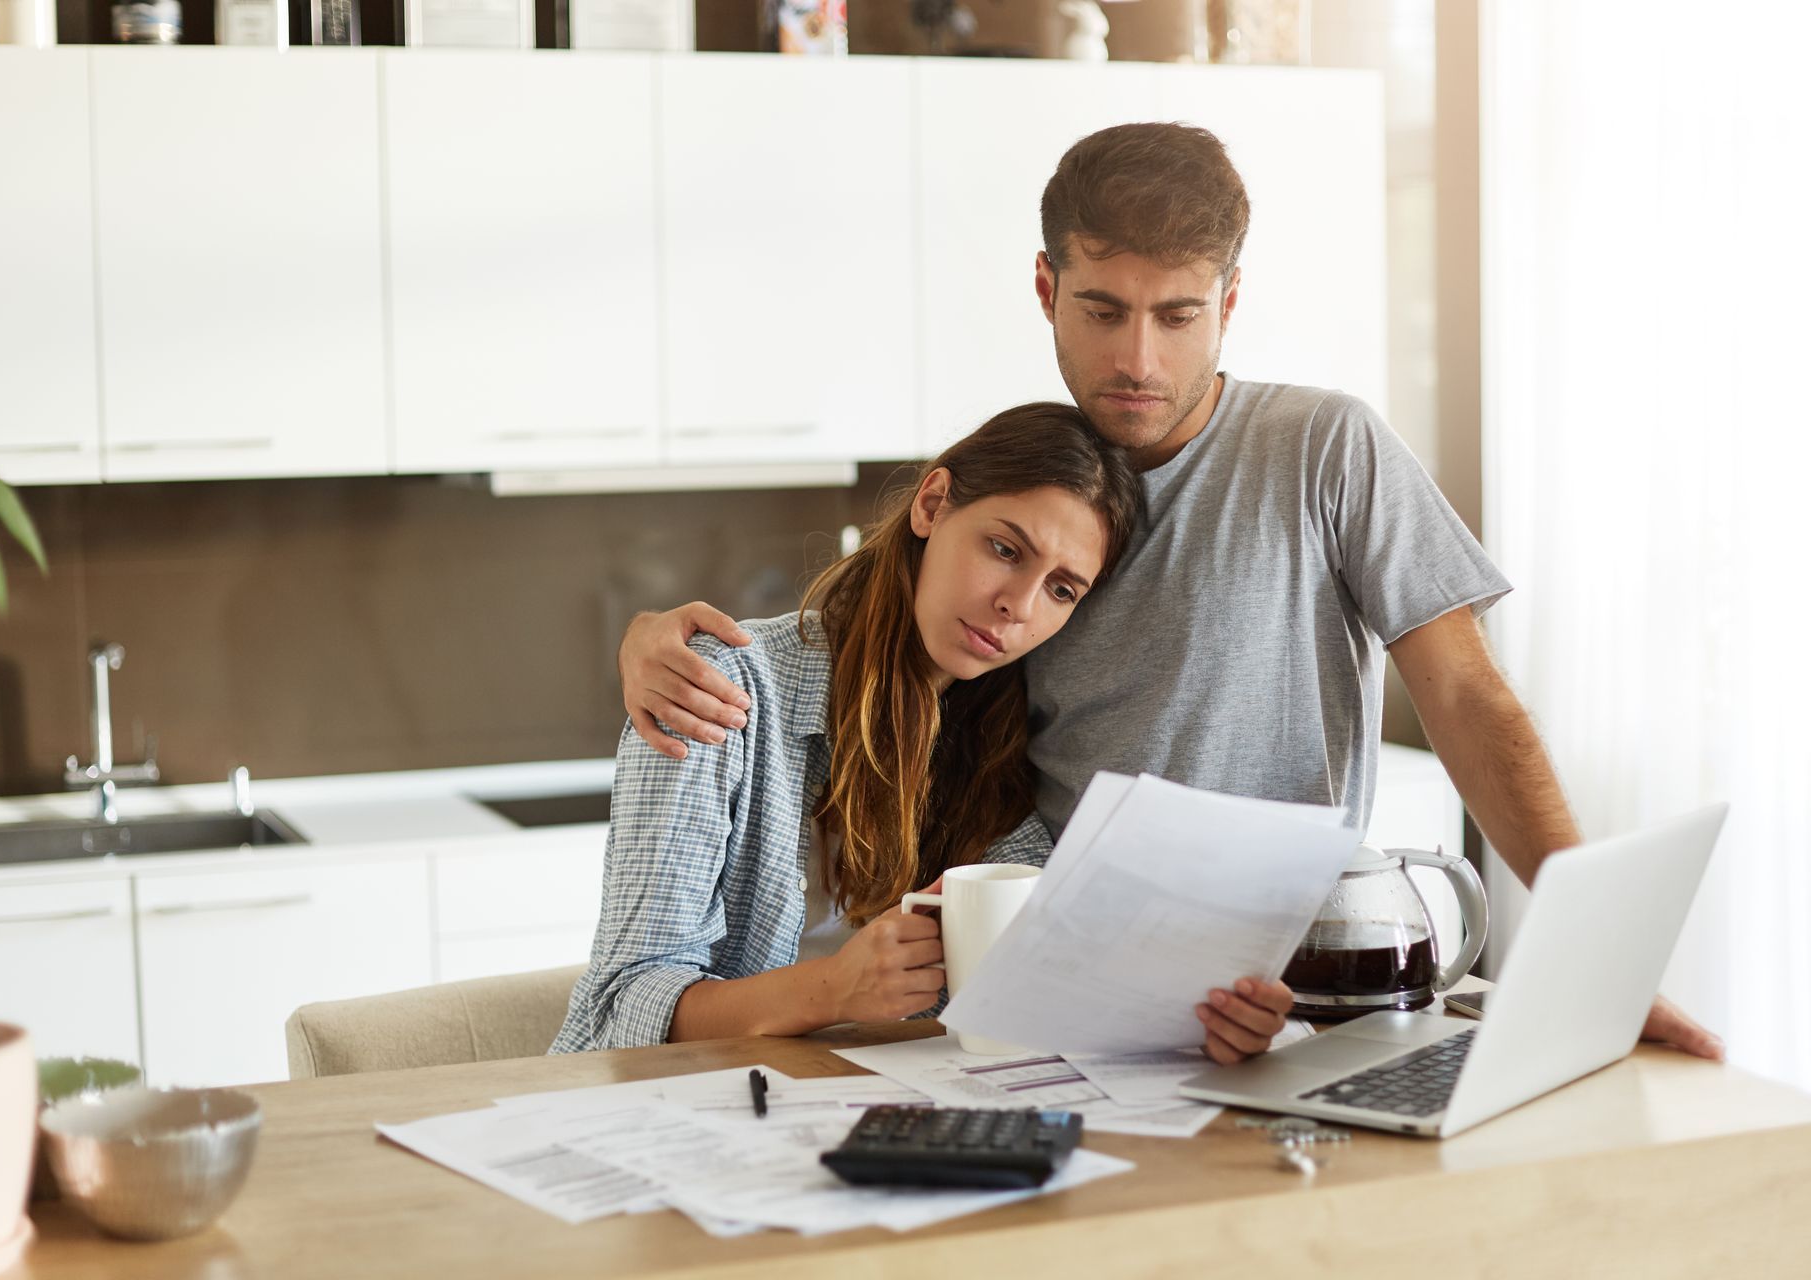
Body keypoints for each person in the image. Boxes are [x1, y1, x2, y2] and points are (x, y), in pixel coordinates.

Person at [616, 123, 1723, 1061]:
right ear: (1046, 288)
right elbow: (883, 660)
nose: (1136, 357)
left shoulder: (1325, 447)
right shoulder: (1031, 486)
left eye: (1178, 314)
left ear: (1230, 301)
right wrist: (672, 646)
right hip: (1067, 1008)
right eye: (1101, 310)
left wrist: (1595, 961)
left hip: (1294, 993)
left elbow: (1468, 698)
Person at [550, 403, 1157, 1053]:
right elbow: (624, 1007)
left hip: (881, 1110)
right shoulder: (719, 691)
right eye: (1005, 549)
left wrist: (1209, 1009)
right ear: (932, 504)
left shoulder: (1002, 739)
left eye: (1062, 590)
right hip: (688, 1110)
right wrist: (836, 988)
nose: (1019, 606)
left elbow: (1041, 973)